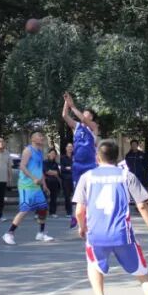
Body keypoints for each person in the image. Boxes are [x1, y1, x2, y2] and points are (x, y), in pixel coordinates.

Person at [75, 138, 148, 295]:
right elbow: (142, 205)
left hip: (96, 234)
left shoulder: (87, 177)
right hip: (121, 233)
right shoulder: (126, 175)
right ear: (117, 157)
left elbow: (79, 211)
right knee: (142, 274)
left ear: (97, 157)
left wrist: (82, 226)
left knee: (93, 265)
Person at [2, 131, 53, 244]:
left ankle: (41, 233)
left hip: (37, 186)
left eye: (42, 136)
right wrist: (33, 178)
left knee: (43, 209)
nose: (42, 137)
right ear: (33, 139)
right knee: (25, 210)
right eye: (39, 136)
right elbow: (22, 166)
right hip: (26, 185)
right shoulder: (28, 150)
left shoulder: (40, 151)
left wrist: (44, 185)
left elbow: (40, 169)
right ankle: (9, 233)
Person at [62, 92, 98, 229]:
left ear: (91, 117)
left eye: (87, 114)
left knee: (91, 191)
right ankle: (75, 216)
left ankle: (90, 216)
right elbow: (64, 116)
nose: (84, 115)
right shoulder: (77, 126)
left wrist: (73, 106)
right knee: (78, 191)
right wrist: (67, 102)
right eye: (84, 113)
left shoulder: (93, 126)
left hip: (90, 165)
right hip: (78, 164)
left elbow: (83, 118)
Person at [44, 147, 62, 217]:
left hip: (55, 183)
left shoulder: (56, 164)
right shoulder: (44, 162)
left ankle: (53, 212)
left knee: (53, 198)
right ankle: (39, 213)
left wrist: (51, 172)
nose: (53, 155)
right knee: (43, 198)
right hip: (46, 182)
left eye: (54, 154)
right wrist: (53, 172)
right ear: (48, 154)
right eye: (51, 153)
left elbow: (58, 173)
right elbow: (46, 171)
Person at [60, 143, 75, 217]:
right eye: (68, 147)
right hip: (66, 179)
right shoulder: (62, 158)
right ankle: (68, 212)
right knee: (67, 195)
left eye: (71, 147)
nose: (70, 148)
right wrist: (70, 168)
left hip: (74, 178)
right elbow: (62, 168)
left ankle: (75, 211)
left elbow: (76, 167)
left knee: (75, 195)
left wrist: (69, 168)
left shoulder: (75, 157)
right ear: (66, 148)